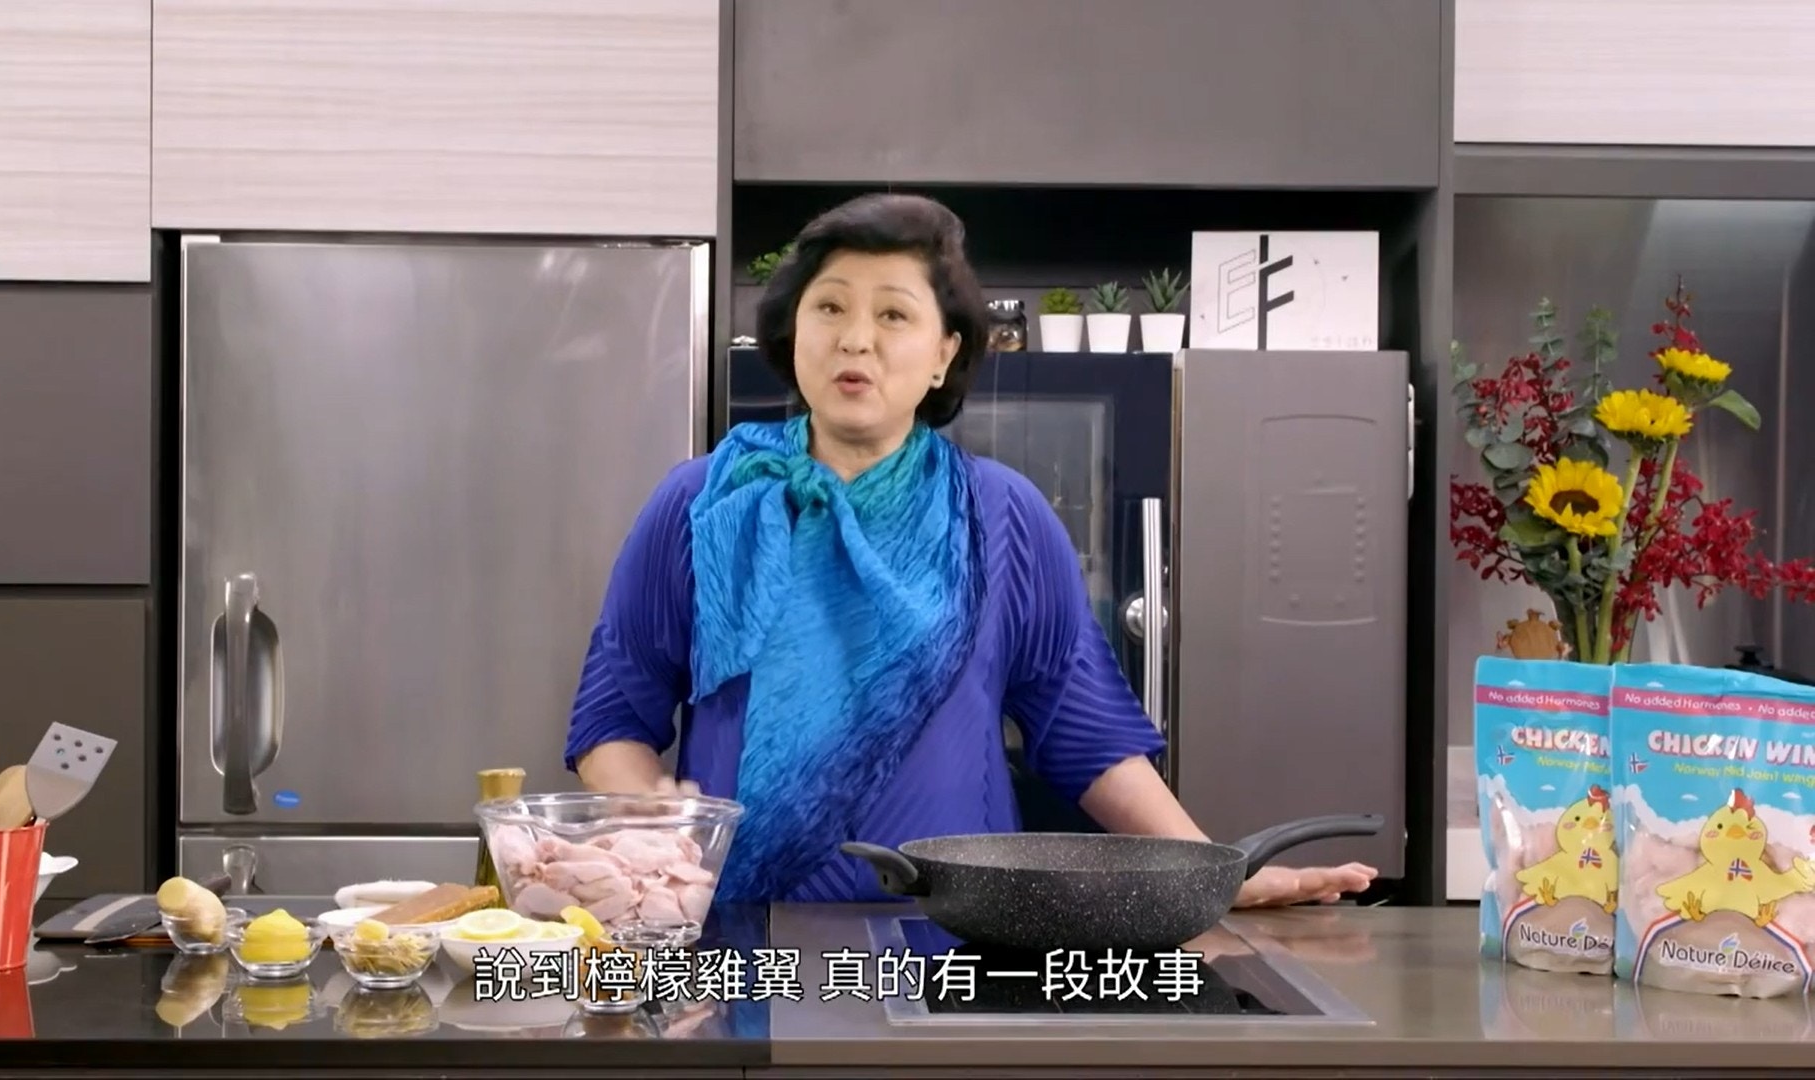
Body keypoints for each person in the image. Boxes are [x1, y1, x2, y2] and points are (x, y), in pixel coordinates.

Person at [564, 193, 1376, 909]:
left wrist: (1212, 874)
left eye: (893, 315)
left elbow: (1084, 733)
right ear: (793, 330)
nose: (856, 339)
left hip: (955, 936)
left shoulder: (1002, 515)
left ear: (944, 352)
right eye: (830, 308)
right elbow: (612, 719)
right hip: (739, 931)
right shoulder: (701, 504)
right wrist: (653, 821)